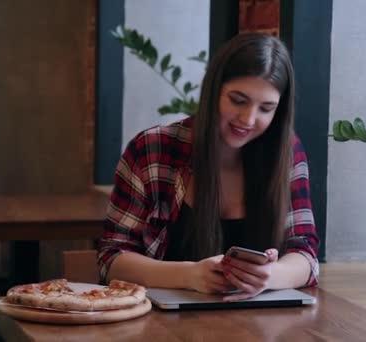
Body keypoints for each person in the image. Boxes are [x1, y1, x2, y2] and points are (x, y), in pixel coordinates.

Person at [97, 32, 319, 301]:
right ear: (213, 91)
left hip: (261, 324)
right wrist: (190, 276)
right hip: (159, 324)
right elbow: (112, 258)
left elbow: (305, 252)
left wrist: (270, 276)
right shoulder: (152, 149)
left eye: (266, 108)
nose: (248, 119)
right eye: (238, 100)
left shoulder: (287, 153)